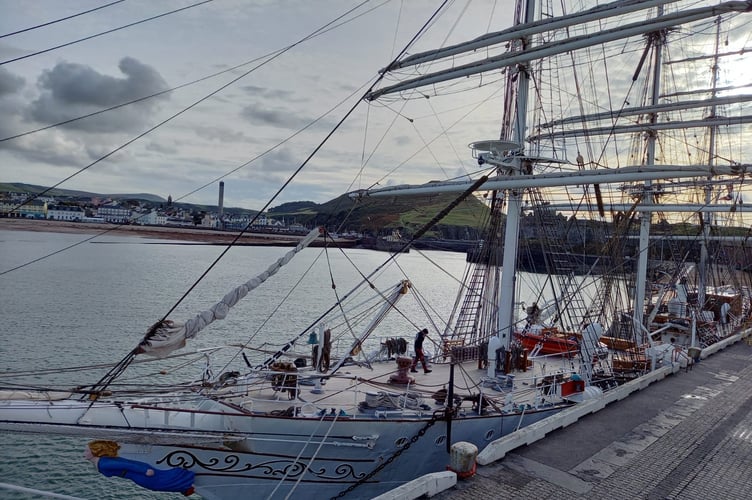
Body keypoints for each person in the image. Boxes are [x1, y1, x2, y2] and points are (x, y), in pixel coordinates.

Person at [84, 440, 195, 496]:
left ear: (95, 452)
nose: (84, 453)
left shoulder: (104, 464)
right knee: (160, 482)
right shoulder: (103, 461)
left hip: (139, 474)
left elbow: (126, 465)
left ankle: (185, 483)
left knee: (158, 484)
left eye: (87, 451)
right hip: (137, 472)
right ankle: (185, 486)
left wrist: (144, 471)